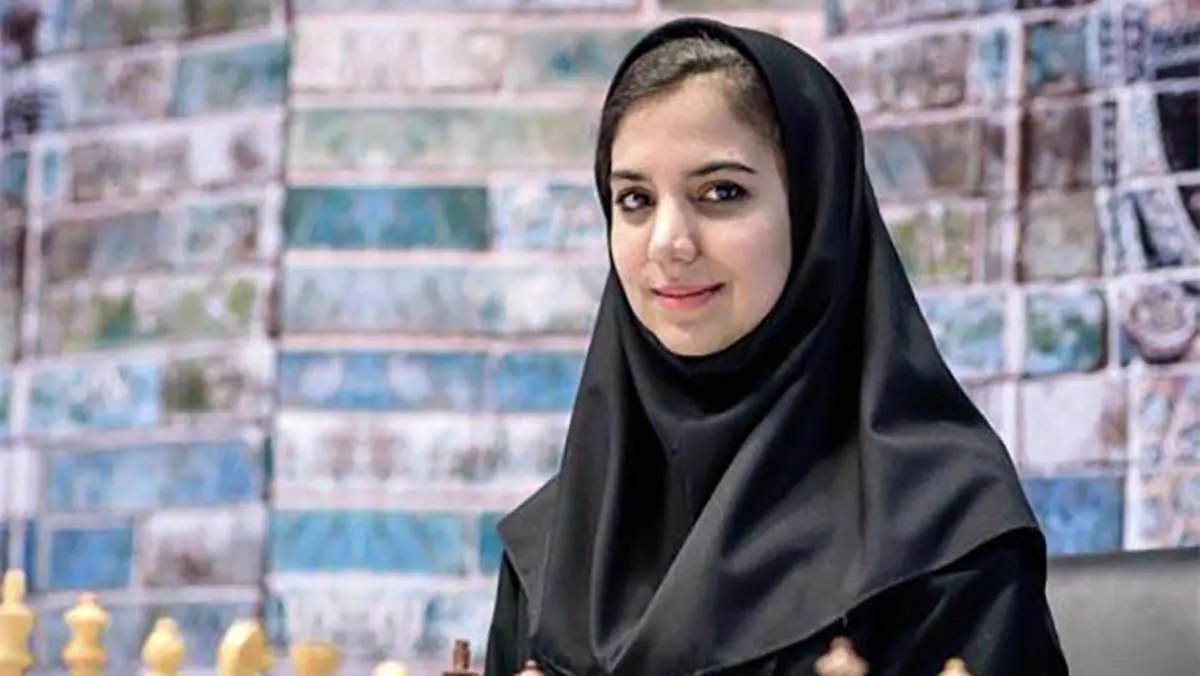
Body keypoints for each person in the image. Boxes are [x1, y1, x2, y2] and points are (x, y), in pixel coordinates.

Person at [484, 17, 1068, 676]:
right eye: (635, 200)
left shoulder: (942, 533)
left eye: (721, 192)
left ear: (815, 207)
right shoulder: (554, 553)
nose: (669, 243)